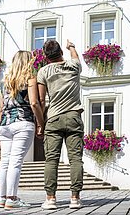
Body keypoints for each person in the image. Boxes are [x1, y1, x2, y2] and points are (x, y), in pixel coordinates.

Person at [37, 40, 84, 210]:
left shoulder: (43, 71)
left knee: (51, 160)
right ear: (60, 52)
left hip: (54, 118)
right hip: (73, 117)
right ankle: (75, 199)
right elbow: (75, 56)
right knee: (75, 159)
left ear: (46, 56)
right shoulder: (74, 66)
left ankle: (50, 199)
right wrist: (71, 46)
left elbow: (41, 100)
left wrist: (40, 123)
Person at [0, 50, 45, 209]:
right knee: (15, 163)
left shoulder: (5, 82)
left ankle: (2, 198)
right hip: (23, 122)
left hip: (5, 124)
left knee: (4, 162)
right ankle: (12, 199)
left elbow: (1, 108)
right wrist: (41, 123)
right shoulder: (30, 79)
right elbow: (34, 103)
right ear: (28, 62)